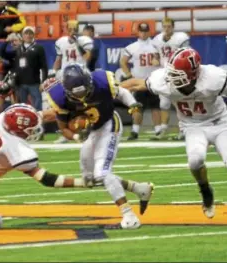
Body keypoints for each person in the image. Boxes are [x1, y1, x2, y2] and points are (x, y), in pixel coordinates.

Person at [121, 47, 227, 225]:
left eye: (177, 74)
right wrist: (111, 89)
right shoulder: (162, 80)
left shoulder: (213, 78)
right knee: (195, 160)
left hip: (219, 123)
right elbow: (134, 84)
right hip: (192, 125)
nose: (171, 77)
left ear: (193, 74)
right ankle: (205, 189)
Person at [46, 63, 154, 229]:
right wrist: (76, 135)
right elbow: (63, 129)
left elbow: (123, 92)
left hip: (109, 124)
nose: (82, 96)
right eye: (78, 93)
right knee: (89, 178)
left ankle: (129, 216)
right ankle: (139, 188)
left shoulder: (102, 80)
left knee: (102, 173)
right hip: (93, 131)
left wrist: (133, 106)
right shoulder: (59, 96)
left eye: (84, 90)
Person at [49, 20, 94, 144]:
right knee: (63, 105)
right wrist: (53, 72)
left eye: (75, 28)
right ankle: (65, 133)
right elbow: (59, 58)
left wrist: (77, 43)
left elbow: (87, 57)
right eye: (70, 28)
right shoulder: (61, 42)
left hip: (81, 77)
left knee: (83, 104)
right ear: (66, 28)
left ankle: (88, 129)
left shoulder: (85, 41)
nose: (72, 31)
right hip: (65, 77)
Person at [119, 22, 161, 141]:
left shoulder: (155, 45)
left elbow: (159, 59)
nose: (143, 33)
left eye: (145, 31)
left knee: (155, 106)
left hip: (153, 80)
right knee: (138, 107)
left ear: (149, 32)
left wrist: (157, 60)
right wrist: (128, 75)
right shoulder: (132, 47)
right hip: (139, 81)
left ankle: (158, 130)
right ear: (138, 32)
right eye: (141, 31)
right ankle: (135, 131)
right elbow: (123, 61)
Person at [152, 17, 190, 141]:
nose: (166, 29)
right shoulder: (157, 39)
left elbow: (187, 55)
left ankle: (183, 131)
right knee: (164, 103)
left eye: (169, 26)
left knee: (180, 103)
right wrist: (155, 60)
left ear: (173, 27)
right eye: (164, 26)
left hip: (178, 73)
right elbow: (155, 56)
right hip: (164, 73)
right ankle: (163, 130)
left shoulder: (180, 38)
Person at [15, 26, 47, 111]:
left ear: (33, 35)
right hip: (21, 83)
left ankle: (39, 124)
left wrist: (43, 82)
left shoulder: (39, 48)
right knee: (23, 109)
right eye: (26, 33)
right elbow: (15, 65)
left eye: (30, 33)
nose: (28, 35)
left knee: (37, 108)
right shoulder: (18, 48)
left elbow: (44, 66)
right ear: (22, 35)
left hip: (34, 83)